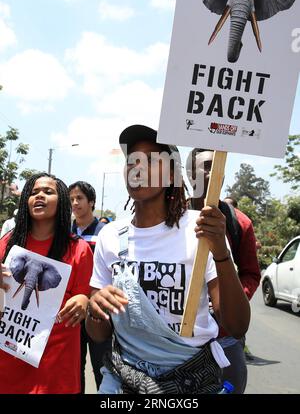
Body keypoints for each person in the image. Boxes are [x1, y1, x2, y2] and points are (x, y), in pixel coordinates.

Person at [86, 124, 250, 394]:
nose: (139, 167)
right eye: (132, 161)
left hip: (191, 382)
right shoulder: (111, 236)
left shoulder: (201, 228)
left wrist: (220, 251)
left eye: (152, 160)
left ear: (172, 173)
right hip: (123, 382)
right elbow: (99, 334)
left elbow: (237, 324)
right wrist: (95, 308)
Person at [0, 173, 93, 394]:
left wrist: (84, 300)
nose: (39, 195)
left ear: (61, 201)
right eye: (33, 192)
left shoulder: (79, 250)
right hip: (9, 359)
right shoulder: (7, 243)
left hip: (55, 364)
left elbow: (88, 296)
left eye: (48, 192)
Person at [186, 148, 261, 393]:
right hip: (182, 342)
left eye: (218, 166)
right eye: (206, 167)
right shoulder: (170, 219)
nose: (214, 172)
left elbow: (250, 273)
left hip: (226, 339)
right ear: (189, 174)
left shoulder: (240, 223)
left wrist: (229, 301)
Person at [69, 181, 111, 393]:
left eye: (80, 199)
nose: (75, 203)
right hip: (72, 312)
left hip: (98, 313)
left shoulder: (106, 232)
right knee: (74, 369)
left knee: (101, 367)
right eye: (72, 200)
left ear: (91, 202)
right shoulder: (65, 232)